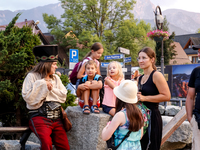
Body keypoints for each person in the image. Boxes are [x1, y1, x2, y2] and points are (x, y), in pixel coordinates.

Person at [22, 45, 70, 150]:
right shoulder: (32, 76)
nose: (56, 67)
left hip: (57, 118)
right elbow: (29, 98)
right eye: (54, 64)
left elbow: (63, 96)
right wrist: (42, 84)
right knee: (46, 144)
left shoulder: (56, 78)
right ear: (47, 64)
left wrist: (50, 89)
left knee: (64, 146)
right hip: (39, 117)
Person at [137, 47, 171, 150]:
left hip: (152, 117)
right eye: (139, 58)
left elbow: (167, 96)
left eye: (144, 58)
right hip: (141, 117)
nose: (141, 60)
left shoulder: (157, 75)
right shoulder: (140, 77)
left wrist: (144, 98)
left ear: (152, 60)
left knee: (151, 147)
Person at [102, 80, 144, 150]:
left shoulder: (120, 115)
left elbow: (105, 137)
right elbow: (140, 136)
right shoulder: (140, 113)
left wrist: (106, 127)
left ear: (119, 98)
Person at [186, 44, 200, 150]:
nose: (198, 54)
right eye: (198, 51)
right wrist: (190, 118)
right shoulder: (196, 71)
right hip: (198, 119)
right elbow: (190, 96)